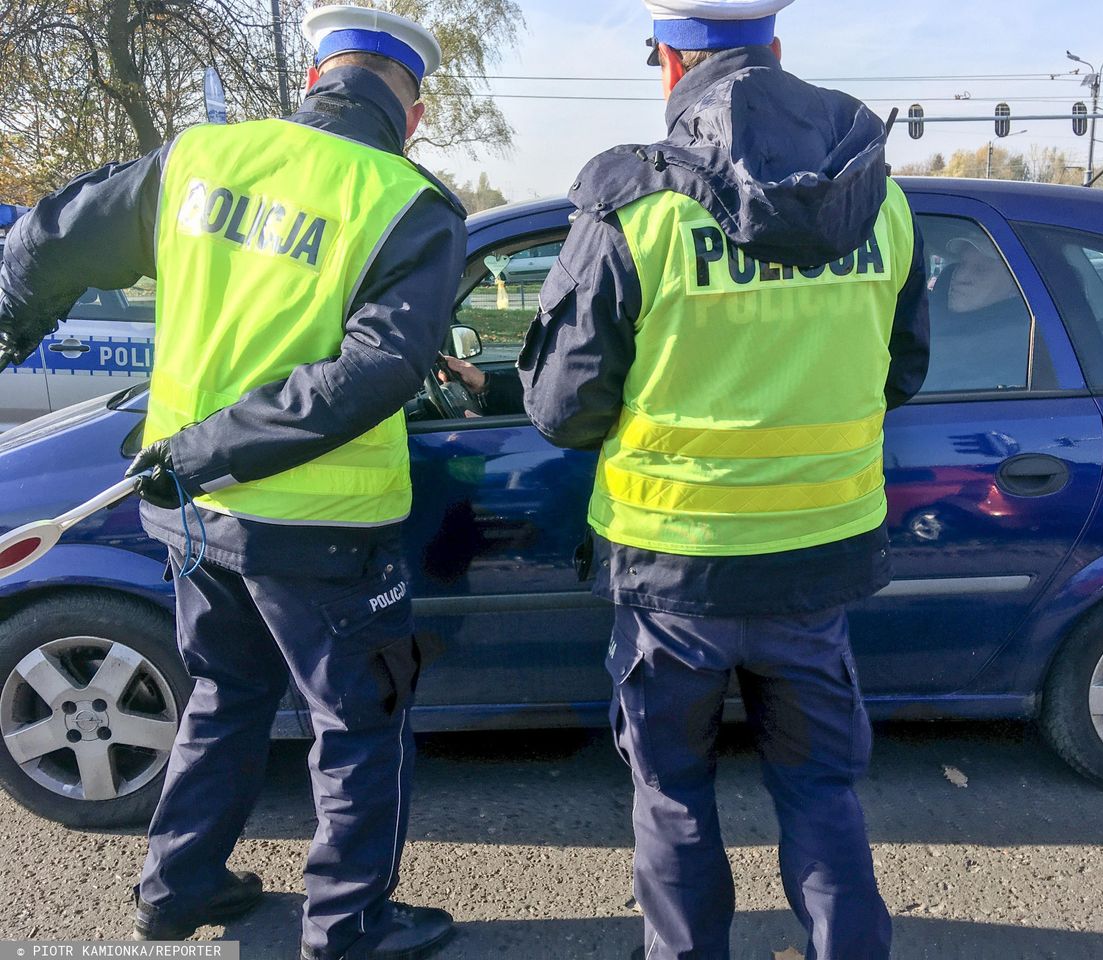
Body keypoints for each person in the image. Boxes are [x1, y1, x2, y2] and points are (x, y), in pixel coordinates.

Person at [0, 6, 468, 958]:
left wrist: (11, 329)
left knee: (224, 697)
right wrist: (215, 447)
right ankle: (349, 925)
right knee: (360, 725)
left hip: (192, 518)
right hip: (319, 527)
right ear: (410, 112)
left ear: (313, 82)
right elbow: (377, 369)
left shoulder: (199, 158)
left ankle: (176, 889)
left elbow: (43, 242)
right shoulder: (405, 201)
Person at [520, 1, 929, 957]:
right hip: (816, 570)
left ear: (670, 64)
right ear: (777, 54)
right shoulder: (882, 204)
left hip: (674, 577)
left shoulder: (635, 210)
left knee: (673, 796)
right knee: (822, 793)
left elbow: (561, 410)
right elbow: (902, 372)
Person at [923, 237, 1031, 393]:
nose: (960, 277)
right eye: (961, 264)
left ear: (1016, 287)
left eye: (980, 269)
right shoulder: (924, 317)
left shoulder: (1016, 344)